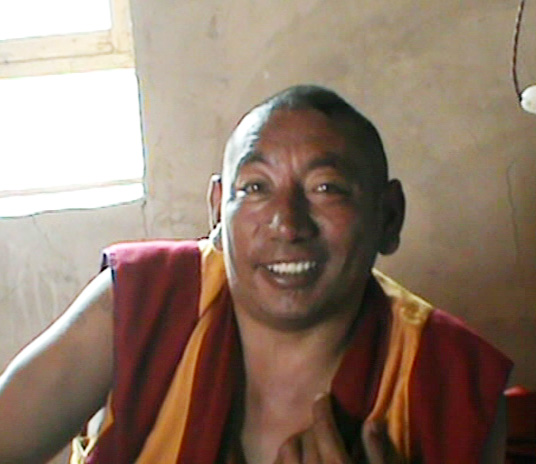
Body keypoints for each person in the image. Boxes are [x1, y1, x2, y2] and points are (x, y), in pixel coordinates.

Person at [0, 85, 512, 464]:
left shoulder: (448, 376)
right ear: (217, 212)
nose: (287, 224)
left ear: (389, 217)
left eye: (327, 188)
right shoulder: (141, 301)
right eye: (254, 188)